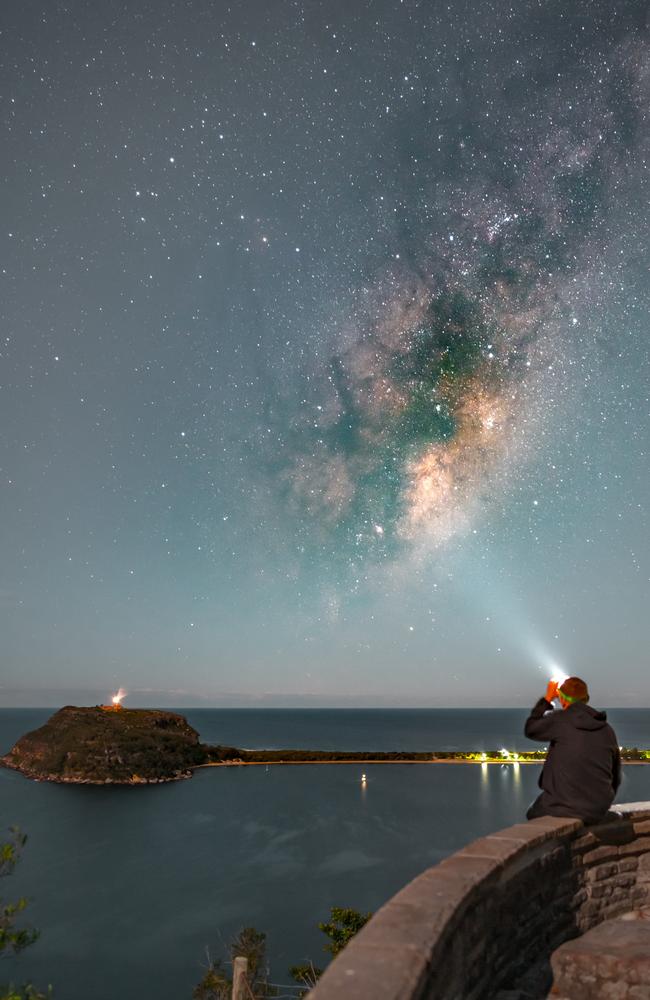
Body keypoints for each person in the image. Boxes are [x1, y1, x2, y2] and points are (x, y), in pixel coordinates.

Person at [524, 676, 621, 823]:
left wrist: (547, 699)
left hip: (560, 806)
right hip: (597, 810)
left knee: (532, 812)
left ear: (562, 699)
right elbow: (615, 776)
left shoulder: (559, 720)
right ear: (586, 698)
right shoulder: (607, 729)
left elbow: (531, 729)